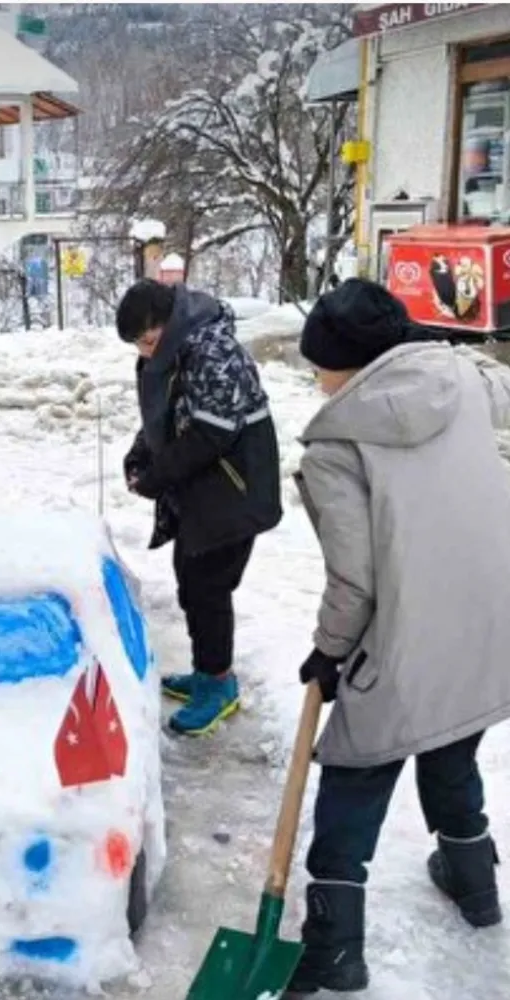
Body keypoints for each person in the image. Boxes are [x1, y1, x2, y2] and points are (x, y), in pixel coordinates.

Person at [286, 278, 510, 996]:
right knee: (450, 743)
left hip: (409, 634)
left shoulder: (335, 446)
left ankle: (333, 948)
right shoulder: (470, 382)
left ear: (346, 363)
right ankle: (475, 882)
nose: (315, 379)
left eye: (318, 363)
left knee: (355, 774)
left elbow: (355, 583)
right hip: (489, 623)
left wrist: (328, 653)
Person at [116, 278, 282, 736]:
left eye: (148, 341)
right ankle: (207, 671)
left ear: (167, 324)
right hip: (205, 491)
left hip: (234, 489)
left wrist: (157, 475)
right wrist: (142, 453)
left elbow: (210, 433)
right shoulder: (175, 350)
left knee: (207, 587)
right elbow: (169, 416)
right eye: (138, 345)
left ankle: (218, 684)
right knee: (191, 580)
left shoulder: (214, 352)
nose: (146, 353)